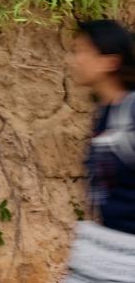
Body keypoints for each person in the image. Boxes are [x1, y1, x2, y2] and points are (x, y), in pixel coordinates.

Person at [69, 19, 135, 233]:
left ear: (111, 61)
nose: (75, 60)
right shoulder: (106, 113)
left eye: (84, 52)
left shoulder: (131, 110)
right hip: (116, 247)